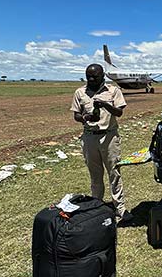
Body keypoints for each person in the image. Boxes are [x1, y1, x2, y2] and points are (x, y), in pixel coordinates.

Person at [70, 63, 128, 220]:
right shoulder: (80, 92)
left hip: (109, 137)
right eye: (88, 75)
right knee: (95, 175)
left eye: (94, 76)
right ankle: (97, 206)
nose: (91, 78)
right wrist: (84, 118)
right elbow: (76, 115)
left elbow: (119, 112)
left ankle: (120, 208)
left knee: (114, 172)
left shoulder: (113, 91)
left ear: (103, 76)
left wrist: (105, 105)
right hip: (89, 137)